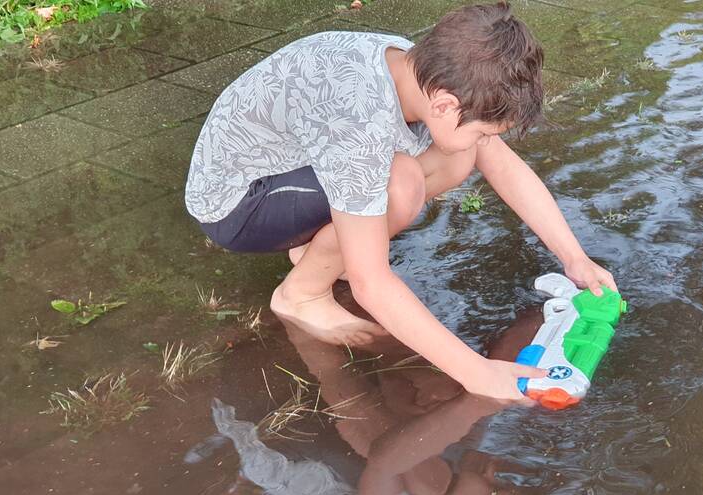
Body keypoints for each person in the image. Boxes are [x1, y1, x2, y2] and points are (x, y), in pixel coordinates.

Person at [184, 2, 617, 401]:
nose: (488, 141)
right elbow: (372, 284)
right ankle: (303, 295)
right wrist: (476, 372)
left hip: (294, 167)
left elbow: (503, 166)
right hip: (238, 203)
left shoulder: (424, 68)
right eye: (485, 129)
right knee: (400, 183)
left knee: (457, 154)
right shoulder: (358, 122)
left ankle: (318, 249)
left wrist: (573, 257)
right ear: (446, 104)